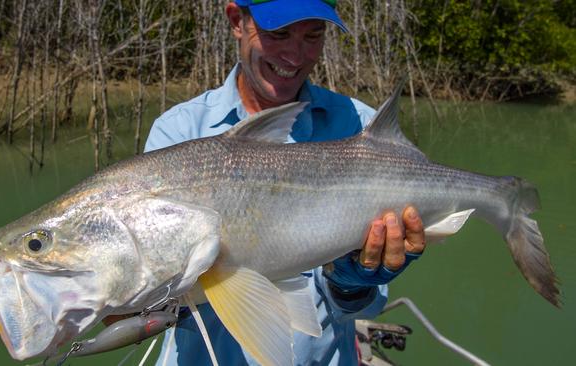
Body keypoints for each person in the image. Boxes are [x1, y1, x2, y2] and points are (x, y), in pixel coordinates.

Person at [143, 1, 426, 364]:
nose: (295, 55)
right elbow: (161, 299)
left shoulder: (358, 127)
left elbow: (359, 308)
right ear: (236, 21)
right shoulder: (179, 132)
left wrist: (353, 283)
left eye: (313, 35)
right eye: (278, 34)